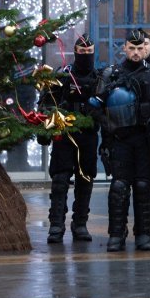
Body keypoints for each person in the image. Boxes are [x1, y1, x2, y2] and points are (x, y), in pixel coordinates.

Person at [93, 28, 150, 252]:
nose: (136, 52)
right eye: (132, 48)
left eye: (140, 48)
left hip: (146, 141)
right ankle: (116, 234)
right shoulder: (111, 74)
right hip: (120, 139)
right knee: (119, 186)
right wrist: (108, 128)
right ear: (124, 48)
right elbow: (96, 106)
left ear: (145, 48)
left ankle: (143, 234)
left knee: (143, 186)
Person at [39, 34, 101, 243]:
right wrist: (45, 132)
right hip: (64, 134)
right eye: (81, 52)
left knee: (85, 179)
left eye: (88, 53)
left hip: (88, 135)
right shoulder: (63, 76)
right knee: (60, 180)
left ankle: (80, 223)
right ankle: (56, 224)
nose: (85, 56)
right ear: (75, 53)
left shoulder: (99, 78)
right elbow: (47, 103)